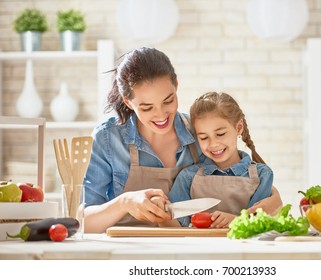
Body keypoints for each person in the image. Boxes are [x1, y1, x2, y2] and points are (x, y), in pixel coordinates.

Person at [83, 47, 282, 233]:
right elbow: (83, 222)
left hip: (184, 245)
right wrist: (124, 202)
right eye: (146, 107)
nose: (161, 115)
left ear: (177, 86)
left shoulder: (199, 132)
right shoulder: (108, 138)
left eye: (168, 100)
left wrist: (274, 199)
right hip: (128, 249)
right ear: (129, 102)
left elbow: (236, 178)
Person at [161, 92, 281, 228]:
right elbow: (175, 228)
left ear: (239, 127)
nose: (213, 144)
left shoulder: (262, 175)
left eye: (220, 134)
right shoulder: (188, 177)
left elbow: (260, 224)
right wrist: (161, 215)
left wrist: (236, 221)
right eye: (204, 137)